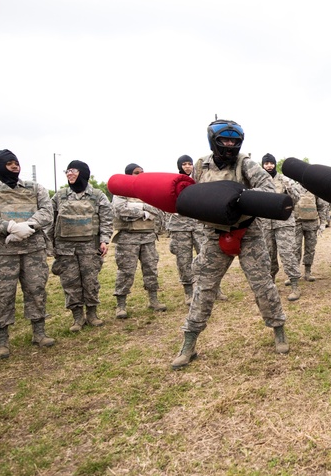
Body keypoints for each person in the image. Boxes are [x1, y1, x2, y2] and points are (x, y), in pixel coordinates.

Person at [172, 119, 290, 368]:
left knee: (263, 285)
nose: (229, 145)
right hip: (214, 235)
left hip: (248, 232)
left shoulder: (246, 164)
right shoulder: (201, 166)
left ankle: (278, 330)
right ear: (213, 141)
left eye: (234, 141)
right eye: (224, 141)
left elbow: (269, 190)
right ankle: (189, 342)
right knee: (203, 288)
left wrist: (239, 199)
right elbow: (194, 194)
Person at [0, 149, 55, 358]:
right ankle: (1, 342)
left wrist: (29, 225)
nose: (15, 166)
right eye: (9, 163)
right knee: (1, 295)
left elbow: (47, 211)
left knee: (36, 290)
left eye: (16, 163)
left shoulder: (34, 188)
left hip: (33, 249)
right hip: (2, 253)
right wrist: (9, 227)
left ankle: (39, 333)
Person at [51, 160, 113, 332]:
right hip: (65, 248)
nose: (69, 174)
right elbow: (51, 221)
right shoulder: (60, 196)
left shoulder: (97, 196)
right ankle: (77, 317)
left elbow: (106, 219)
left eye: (73, 170)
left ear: (83, 173)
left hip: (89, 247)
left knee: (90, 281)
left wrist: (104, 240)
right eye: (67, 171)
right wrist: (51, 245)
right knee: (70, 282)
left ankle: (92, 314)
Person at [111, 163, 167, 318]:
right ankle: (121, 305)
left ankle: (153, 300)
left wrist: (137, 207)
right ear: (129, 175)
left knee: (151, 269)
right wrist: (143, 210)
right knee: (126, 271)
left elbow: (157, 208)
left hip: (148, 236)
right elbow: (121, 210)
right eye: (137, 173)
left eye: (142, 172)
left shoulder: (147, 190)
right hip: (127, 238)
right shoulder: (120, 192)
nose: (141, 175)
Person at [260, 153, 302, 301]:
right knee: (268, 255)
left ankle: (295, 285)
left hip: (283, 223)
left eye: (271, 163)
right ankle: (270, 285)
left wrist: (289, 188)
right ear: (263, 165)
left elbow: (296, 199)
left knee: (287, 254)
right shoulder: (259, 181)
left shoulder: (284, 180)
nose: (269, 166)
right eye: (266, 163)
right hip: (266, 224)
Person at [166, 154, 205, 306]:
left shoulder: (197, 181)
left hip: (197, 224)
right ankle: (188, 292)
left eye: (190, 163)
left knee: (205, 255)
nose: (188, 166)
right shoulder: (173, 182)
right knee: (184, 259)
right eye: (184, 164)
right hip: (179, 226)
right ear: (179, 166)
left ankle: (212, 287)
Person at [293, 181, 327, 283]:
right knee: (295, 249)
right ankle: (294, 274)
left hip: (312, 223)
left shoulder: (314, 188)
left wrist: (323, 223)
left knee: (310, 248)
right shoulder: (293, 186)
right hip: (296, 222)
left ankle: (308, 272)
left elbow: (321, 206)